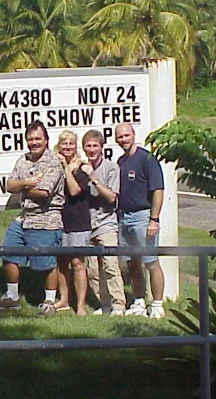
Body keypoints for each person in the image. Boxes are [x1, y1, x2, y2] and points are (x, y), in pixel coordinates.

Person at [0, 120, 65, 317]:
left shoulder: (53, 163)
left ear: (46, 140)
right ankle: (12, 297)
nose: (34, 142)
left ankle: (49, 301)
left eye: (38, 138)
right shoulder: (23, 160)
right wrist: (27, 183)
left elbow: (44, 192)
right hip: (24, 218)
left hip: (46, 219)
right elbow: (9, 185)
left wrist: (21, 188)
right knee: (8, 252)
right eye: (30, 139)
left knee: (46, 264)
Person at [115, 122, 166, 319]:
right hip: (124, 217)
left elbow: (158, 191)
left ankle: (157, 303)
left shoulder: (147, 159)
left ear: (133, 134)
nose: (123, 139)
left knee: (151, 261)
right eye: (120, 136)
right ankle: (138, 301)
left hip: (143, 217)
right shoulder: (120, 162)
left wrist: (154, 219)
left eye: (126, 135)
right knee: (132, 263)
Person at [80, 130, 127, 317]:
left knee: (110, 265)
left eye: (95, 145)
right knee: (92, 270)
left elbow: (111, 197)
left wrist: (93, 178)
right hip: (87, 224)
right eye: (88, 146)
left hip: (106, 223)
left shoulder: (111, 168)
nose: (92, 149)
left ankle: (119, 305)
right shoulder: (80, 167)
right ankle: (104, 303)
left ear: (102, 147)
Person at [53, 130, 91, 316]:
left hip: (78, 220)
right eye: (64, 143)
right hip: (58, 220)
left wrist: (66, 168)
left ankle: (81, 305)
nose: (67, 147)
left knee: (77, 263)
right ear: (58, 146)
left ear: (75, 146)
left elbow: (75, 190)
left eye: (70, 143)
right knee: (61, 261)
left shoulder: (83, 168)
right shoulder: (54, 165)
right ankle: (64, 299)